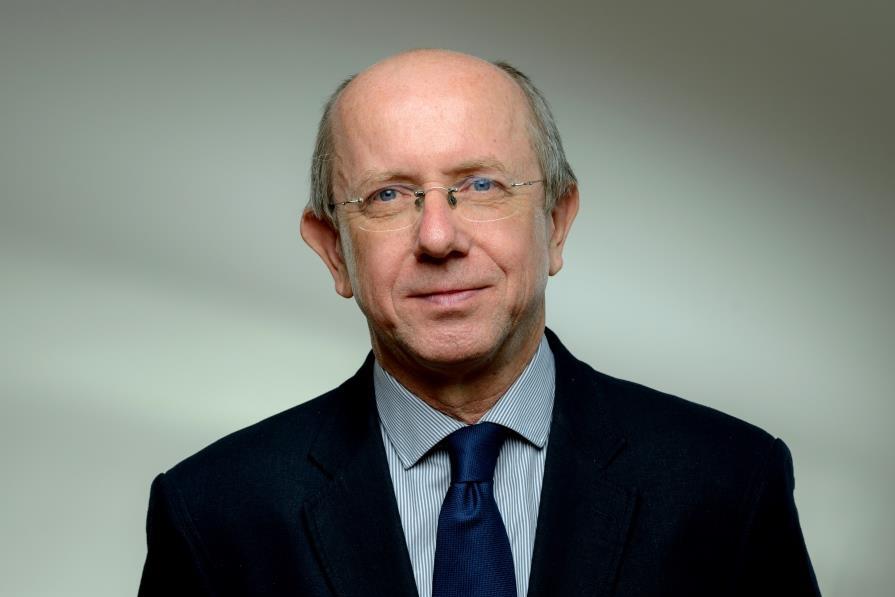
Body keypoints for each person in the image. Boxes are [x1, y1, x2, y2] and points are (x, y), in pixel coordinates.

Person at [138, 49, 820, 596]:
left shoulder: (728, 482)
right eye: (388, 194)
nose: (438, 237)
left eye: (481, 185)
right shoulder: (213, 510)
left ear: (556, 222)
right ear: (332, 251)